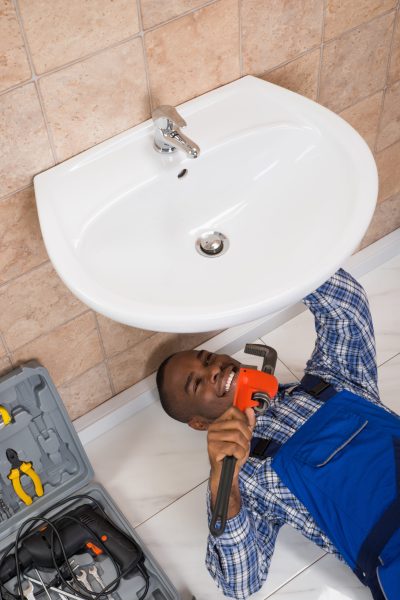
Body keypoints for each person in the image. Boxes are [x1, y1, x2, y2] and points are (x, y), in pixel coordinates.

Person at [156, 269, 400, 600]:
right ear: (199, 424)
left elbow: (347, 304)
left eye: (208, 358)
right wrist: (222, 488)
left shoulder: (329, 377)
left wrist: (280, 264)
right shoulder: (244, 475)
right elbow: (240, 583)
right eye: (197, 383)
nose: (213, 369)